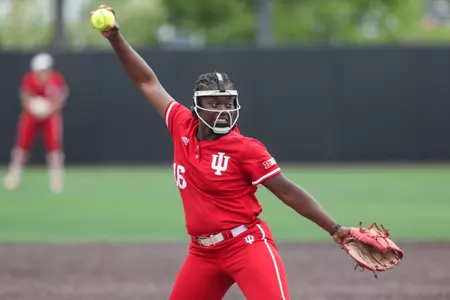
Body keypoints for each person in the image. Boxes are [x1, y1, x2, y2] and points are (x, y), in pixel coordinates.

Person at [92, 5, 350, 299]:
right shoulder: (181, 124)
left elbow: (288, 192)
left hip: (246, 245)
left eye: (228, 102)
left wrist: (335, 229)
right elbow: (146, 81)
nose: (224, 109)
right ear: (197, 106)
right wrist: (115, 38)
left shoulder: (245, 148)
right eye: (215, 103)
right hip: (202, 254)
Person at [3, 52, 68, 193]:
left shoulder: (57, 80)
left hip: (50, 116)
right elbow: (25, 97)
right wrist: (34, 107)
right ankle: (14, 176)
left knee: (54, 146)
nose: (42, 73)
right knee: (22, 145)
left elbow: (60, 99)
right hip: (31, 115)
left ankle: (56, 180)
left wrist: (48, 108)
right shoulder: (29, 79)